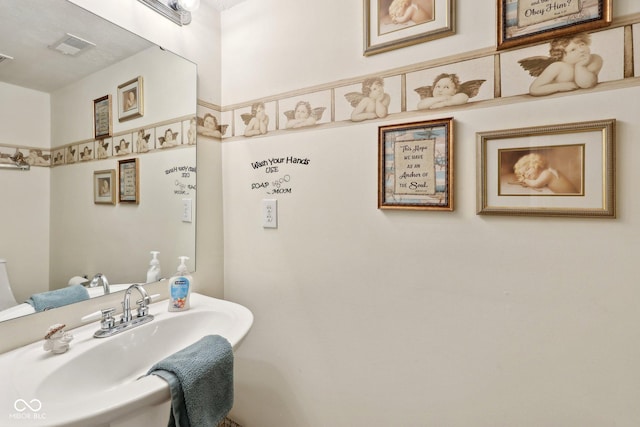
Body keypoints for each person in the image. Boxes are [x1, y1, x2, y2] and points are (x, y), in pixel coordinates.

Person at [520, 33, 602, 96]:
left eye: (582, 45)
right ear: (561, 57)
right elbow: (534, 89)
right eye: (573, 50)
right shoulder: (558, 66)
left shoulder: (594, 59)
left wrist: (580, 66)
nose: (581, 50)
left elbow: (586, 84)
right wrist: (560, 87)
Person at [511, 153, 578, 193]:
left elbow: (535, 184)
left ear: (537, 164)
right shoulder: (547, 172)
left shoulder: (547, 174)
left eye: (528, 169)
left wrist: (526, 180)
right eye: (523, 174)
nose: (526, 174)